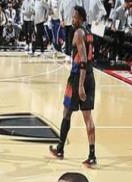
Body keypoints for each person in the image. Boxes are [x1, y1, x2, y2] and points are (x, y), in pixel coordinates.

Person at [49, 6, 97, 167]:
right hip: (90, 76)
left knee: (67, 112)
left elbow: (83, 61)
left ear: (81, 18)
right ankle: (92, 156)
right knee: (88, 117)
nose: (73, 19)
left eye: (75, 17)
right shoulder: (89, 32)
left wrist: (80, 85)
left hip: (78, 77)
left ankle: (60, 149)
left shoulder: (78, 33)